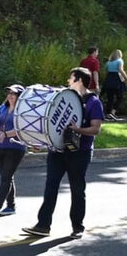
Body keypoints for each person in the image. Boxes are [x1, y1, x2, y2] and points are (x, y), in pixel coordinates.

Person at [23, 68, 104, 239]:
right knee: (50, 187)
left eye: (71, 77)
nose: (68, 80)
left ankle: (77, 226)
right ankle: (43, 225)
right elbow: (52, 125)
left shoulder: (93, 102)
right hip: (58, 152)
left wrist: (77, 129)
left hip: (79, 153)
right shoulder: (64, 98)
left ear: (79, 80)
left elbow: (96, 129)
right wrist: (42, 142)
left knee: (77, 189)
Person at [0, 85, 27, 218]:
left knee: (6, 178)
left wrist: (8, 134)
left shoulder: (23, 111)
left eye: (13, 94)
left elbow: (22, 129)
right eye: (9, 93)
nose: (10, 95)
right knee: (7, 177)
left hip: (15, 148)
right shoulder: (2, 107)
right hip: (0, 147)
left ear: (19, 97)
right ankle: (11, 206)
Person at [101, 49, 126, 121]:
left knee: (110, 98)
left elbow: (106, 71)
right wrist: (125, 77)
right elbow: (120, 70)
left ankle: (108, 113)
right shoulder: (120, 61)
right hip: (116, 79)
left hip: (109, 79)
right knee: (120, 96)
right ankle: (113, 111)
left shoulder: (108, 62)